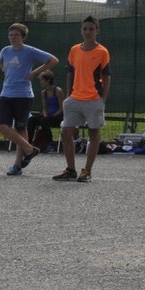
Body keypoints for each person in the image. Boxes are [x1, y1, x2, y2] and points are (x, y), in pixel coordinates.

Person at [52, 16, 111, 183]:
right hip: (75, 99)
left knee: (94, 134)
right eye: (85, 28)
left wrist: (103, 99)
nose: (88, 32)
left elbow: (106, 77)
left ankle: (87, 171)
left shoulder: (102, 51)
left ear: (97, 30)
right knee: (65, 132)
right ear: (81, 30)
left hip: (93, 99)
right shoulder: (74, 50)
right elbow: (70, 73)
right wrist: (70, 95)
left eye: (91, 29)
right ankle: (70, 169)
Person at [0, 23, 57, 175]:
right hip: (6, 93)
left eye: (16, 35)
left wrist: (35, 72)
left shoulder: (29, 51)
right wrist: (5, 71)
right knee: (1, 125)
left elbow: (53, 60)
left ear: (23, 37)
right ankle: (29, 150)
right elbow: (0, 61)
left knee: (20, 128)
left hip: (23, 95)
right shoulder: (5, 50)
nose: (12, 37)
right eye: (10, 35)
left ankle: (17, 165)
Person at [29, 73, 65, 153]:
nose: (40, 82)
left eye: (42, 80)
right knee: (32, 120)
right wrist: (45, 115)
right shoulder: (43, 93)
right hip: (48, 117)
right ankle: (29, 144)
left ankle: (50, 144)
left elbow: (62, 108)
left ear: (48, 80)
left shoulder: (58, 91)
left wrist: (51, 116)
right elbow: (44, 108)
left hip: (58, 116)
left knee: (44, 121)